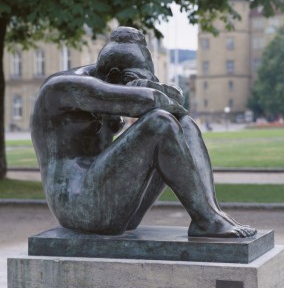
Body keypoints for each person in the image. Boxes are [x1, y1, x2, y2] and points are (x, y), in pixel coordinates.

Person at [31, 26, 256, 238]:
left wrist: (145, 85)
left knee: (183, 123)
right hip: (79, 205)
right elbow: (148, 101)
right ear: (113, 75)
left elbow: (176, 100)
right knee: (160, 123)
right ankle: (208, 219)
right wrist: (147, 91)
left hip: (118, 205)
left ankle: (210, 214)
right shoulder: (63, 88)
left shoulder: (110, 81)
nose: (142, 85)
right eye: (131, 80)